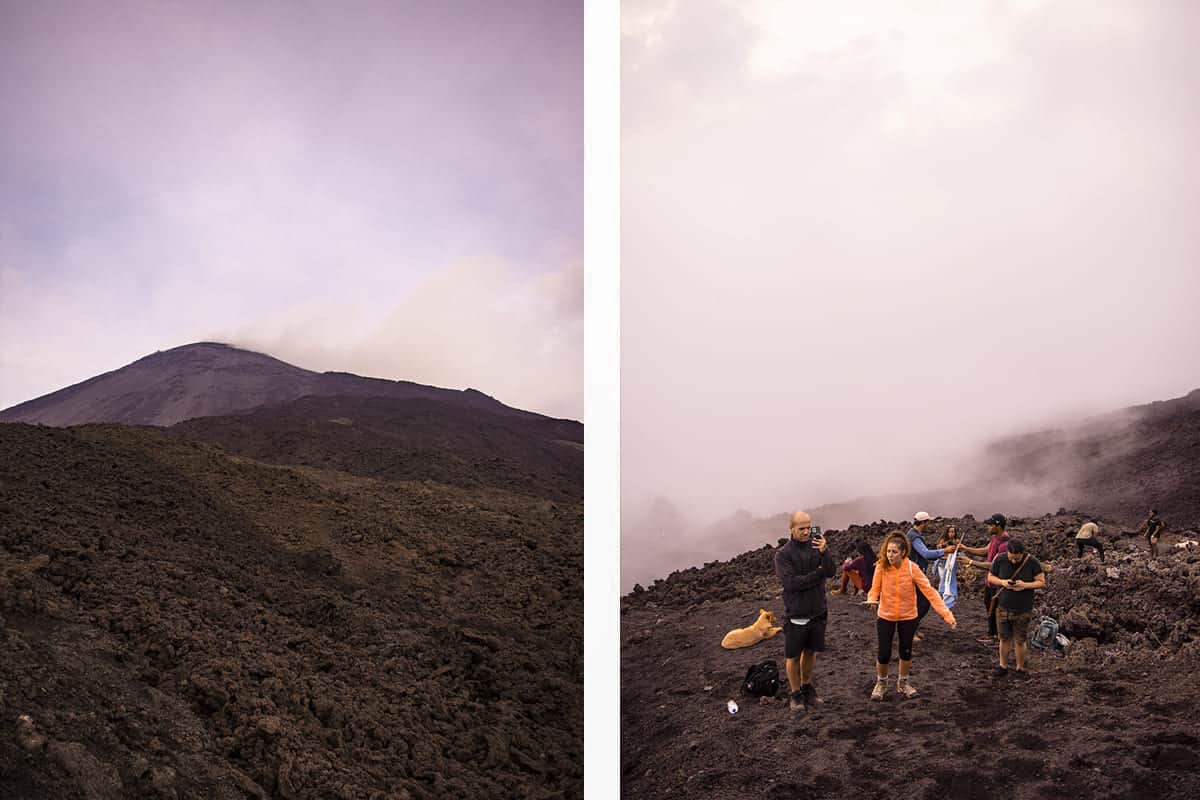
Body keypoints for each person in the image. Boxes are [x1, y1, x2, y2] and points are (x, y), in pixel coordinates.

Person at [865, 531, 957, 700]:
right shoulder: (881, 566)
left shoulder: (911, 568)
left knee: (905, 651)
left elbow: (930, 592)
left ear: (903, 553)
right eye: (888, 551)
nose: (890, 555)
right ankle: (881, 683)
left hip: (908, 616)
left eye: (894, 552)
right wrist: (872, 599)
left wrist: (947, 615)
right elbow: (875, 588)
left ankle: (903, 683)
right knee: (884, 653)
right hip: (886, 615)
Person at [774, 510, 835, 712]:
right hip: (797, 613)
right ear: (791, 529)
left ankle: (807, 687)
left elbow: (832, 571)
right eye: (801, 528)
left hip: (818, 610)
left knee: (810, 651)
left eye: (809, 527)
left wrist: (825, 552)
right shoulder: (783, 555)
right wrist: (819, 574)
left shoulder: (816, 546)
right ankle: (795, 693)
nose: (807, 531)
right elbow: (791, 583)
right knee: (792, 656)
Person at [986, 538, 1045, 678]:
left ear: (1022, 554)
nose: (1013, 562)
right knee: (1004, 639)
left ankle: (1020, 669)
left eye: (1017, 559)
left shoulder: (1032, 562)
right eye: (1011, 558)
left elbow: (1042, 582)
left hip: (1023, 609)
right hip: (1003, 608)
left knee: (1020, 640)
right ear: (1007, 552)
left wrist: (1024, 585)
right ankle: (1003, 666)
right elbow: (990, 577)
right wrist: (1002, 582)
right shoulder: (1000, 559)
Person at [958, 514, 1011, 643]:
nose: (988, 527)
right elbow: (985, 551)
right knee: (989, 607)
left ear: (997, 526)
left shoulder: (1004, 543)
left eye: (990, 525)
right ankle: (992, 634)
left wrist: (970, 562)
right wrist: (966, 548)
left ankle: (997, 637)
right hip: (990, 583)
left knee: (996, 610)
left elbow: (994, 565)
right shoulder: (995, 538)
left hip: (998, 584)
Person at [905, 512, 955, 639]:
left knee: (918, 603)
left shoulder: (912, 534)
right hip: (914, 575)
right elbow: (925, 554)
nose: (929, 524)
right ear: (923, 523)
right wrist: (945, 551)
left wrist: (939, 554)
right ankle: (910, 631)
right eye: (928, 522)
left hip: (912, 572)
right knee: (923, 603)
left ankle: (912, 630)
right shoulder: (915, 537)